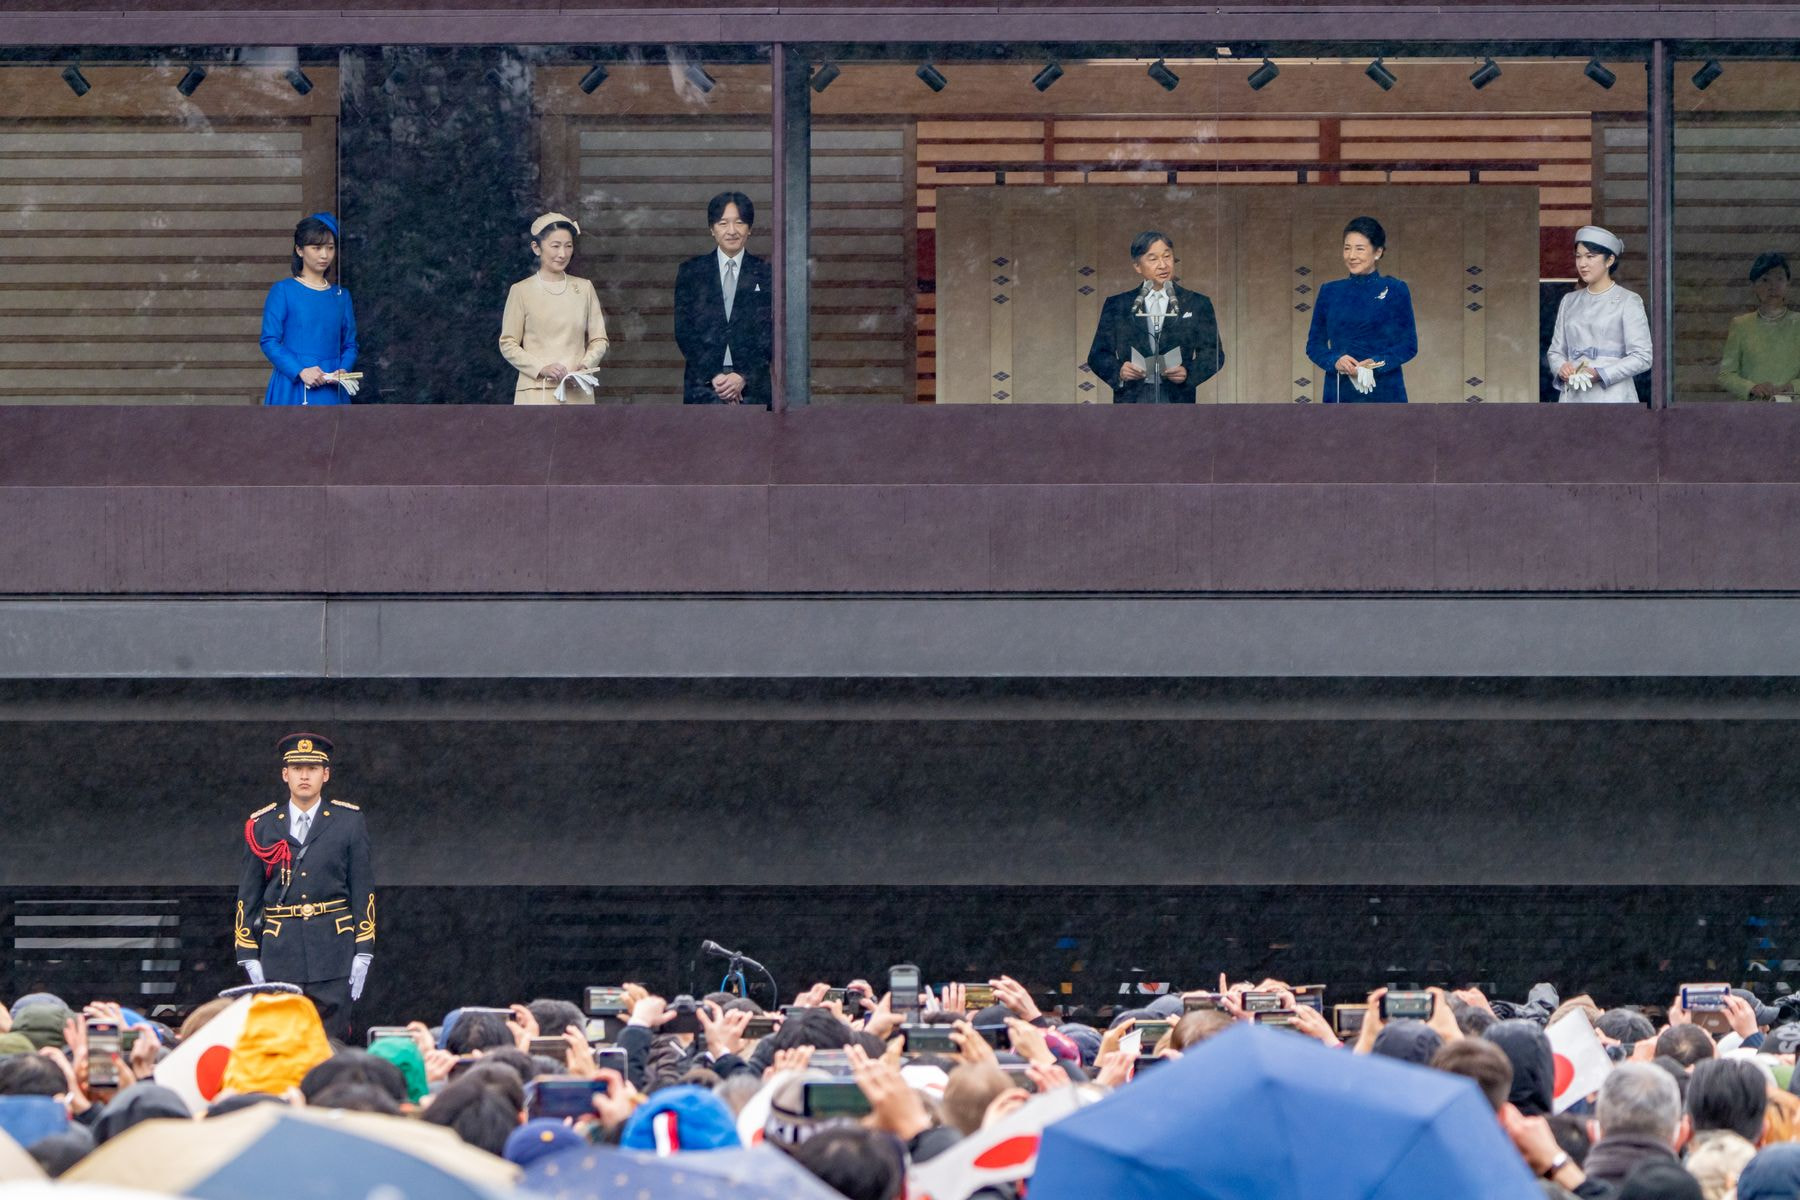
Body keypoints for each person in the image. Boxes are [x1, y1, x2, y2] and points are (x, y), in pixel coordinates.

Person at [235, 733, 376, 1039]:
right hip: (280, 951)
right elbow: (249, 895)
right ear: (285, 774)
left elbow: (362, 889)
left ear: (325, 774)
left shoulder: (348, 822)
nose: (304, 775)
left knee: (331, 1042)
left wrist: (363, 950)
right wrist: (247, 950)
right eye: (297, 767)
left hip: (333, 949)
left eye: (312, 768)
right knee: (281, 1042)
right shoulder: (263, 824)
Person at [1085, 231, 1224, 403]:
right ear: (1137, 266)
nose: (1162, 265)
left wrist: (1188, 373)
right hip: (1132, 399)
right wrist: (1119, 371)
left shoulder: (1197, 303)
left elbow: (1214, 354)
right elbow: (1098, 355)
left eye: (1167, 256)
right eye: (1153, 259)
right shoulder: (1118, 305)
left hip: (1178, 398)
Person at [674, 192, 774, 407]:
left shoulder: (766, 273)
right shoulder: (692, 272)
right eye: (723, 223)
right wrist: (715, 376)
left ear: (749, 229)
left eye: (739, 222)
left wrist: (742, 376)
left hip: (752, 387)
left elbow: (771, 332)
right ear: (712, 229)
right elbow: (684, 331)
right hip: (704, 385)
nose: (731, 231)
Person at [1305, 216, 1418, 403]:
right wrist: (1335, 360)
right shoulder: (1330, 291)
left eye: (1360, 249)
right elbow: (1314, 346)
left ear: (1378, 252)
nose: (1351, 256)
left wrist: (1377, 363)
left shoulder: (1396, 289)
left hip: (1386, 390)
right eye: (1347, 248)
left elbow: (1409, 345)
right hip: (1340, 390)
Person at [499, 212, 609, 404]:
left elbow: (599, 339)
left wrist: (585, 366)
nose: (562, 254)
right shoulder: (521, 291)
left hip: (577, 391)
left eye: (568, 246)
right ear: (536, 248)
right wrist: (541, 368)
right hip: (536, 391)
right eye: (555, 246)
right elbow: (508, 342)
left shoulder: (584, 289)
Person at [1546, 225, 1653, 404]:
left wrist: (1600, 374)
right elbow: (1556, 351)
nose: (1582, 264)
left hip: (1613, 396)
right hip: (1573, 395)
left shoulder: (1628, 300)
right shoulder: (1569, 301)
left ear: (1609, 260)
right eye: (1578, 256)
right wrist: (1561, 368)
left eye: (1590, 256)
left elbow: (1642, 356)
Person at [259, 213, 358, 406]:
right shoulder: (283, 291)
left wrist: (343, 369)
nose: (324, 255)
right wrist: (300, 370)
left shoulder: (341, 296)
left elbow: (350, 345)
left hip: (331, 388)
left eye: (330, 248)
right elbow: (269, 340)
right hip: (293, 386)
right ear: (300, 250)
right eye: (317, 248)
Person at [1718, 251, 1800, 401]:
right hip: (1752, 412)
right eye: (1765, 280)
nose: (1772, 287)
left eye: (1779, 279)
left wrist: (1793, 387)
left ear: (1788, 283)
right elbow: (1726, 374)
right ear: (1753, 286)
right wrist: (1752, 388)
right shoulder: (1741, 324)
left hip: (1793, 410)